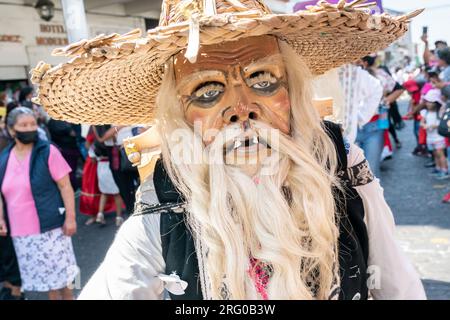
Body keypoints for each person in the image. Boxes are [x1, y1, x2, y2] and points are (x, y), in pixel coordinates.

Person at [32, 0, 425, 300]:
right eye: (207, 90)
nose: (242, 109)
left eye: (262, 78)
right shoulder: (168, 197)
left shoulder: (338, 160)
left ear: (291, 89)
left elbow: (396, 282)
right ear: (182, 113)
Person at [0, 107, 78, 300]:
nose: (29, 129)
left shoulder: (48, 151)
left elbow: (66, 187)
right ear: (12, 130)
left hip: (51, 228)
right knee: (46, 282)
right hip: (21, 233)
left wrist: (71, 218)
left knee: (63, 279)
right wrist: (1, 217)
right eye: (24, 125)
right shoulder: (3, 158)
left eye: (33, 124)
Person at [92, 125, 124, 226]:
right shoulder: (111, 138)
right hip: (111, 166)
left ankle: (100, 214)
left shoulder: (96, 141)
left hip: (100, 166)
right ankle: (118, 217)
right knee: (117, 193)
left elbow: (92, 156)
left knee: (104, 192)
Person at [420, 90, 448, 180]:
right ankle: (438, 168)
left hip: (438, 137)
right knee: (435, 154)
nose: (428, 104)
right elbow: (422, 122)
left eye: (431, 102)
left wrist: (432, 126)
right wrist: (424, 125)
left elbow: (442, 124)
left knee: (440, 154)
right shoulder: (425, 112)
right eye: (427, 101)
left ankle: (445, 169)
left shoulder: (440, 113)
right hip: (430, 137)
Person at [47, 119, 82, 189]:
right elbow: (73, 133)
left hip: (60, 149)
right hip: (68, 150)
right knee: (69, 172)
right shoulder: (60, 122)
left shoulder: (52, 121)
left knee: (64, 173)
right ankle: (72, 188)